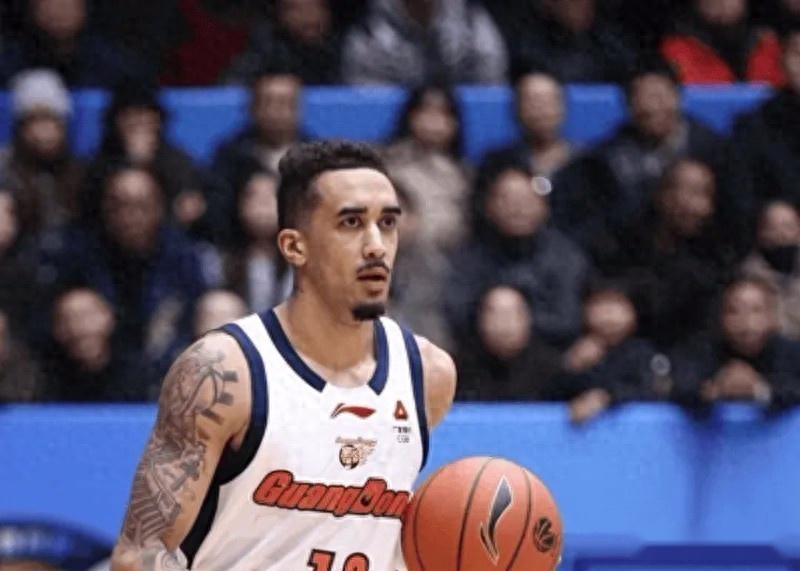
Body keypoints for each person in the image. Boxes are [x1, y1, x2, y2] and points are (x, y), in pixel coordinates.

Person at [110, 140, 457, 570]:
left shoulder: (428, 374)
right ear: (295, 246)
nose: (376, 246)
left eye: (387, 223)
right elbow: (137, 556)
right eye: (351, 222)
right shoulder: (222, 373)